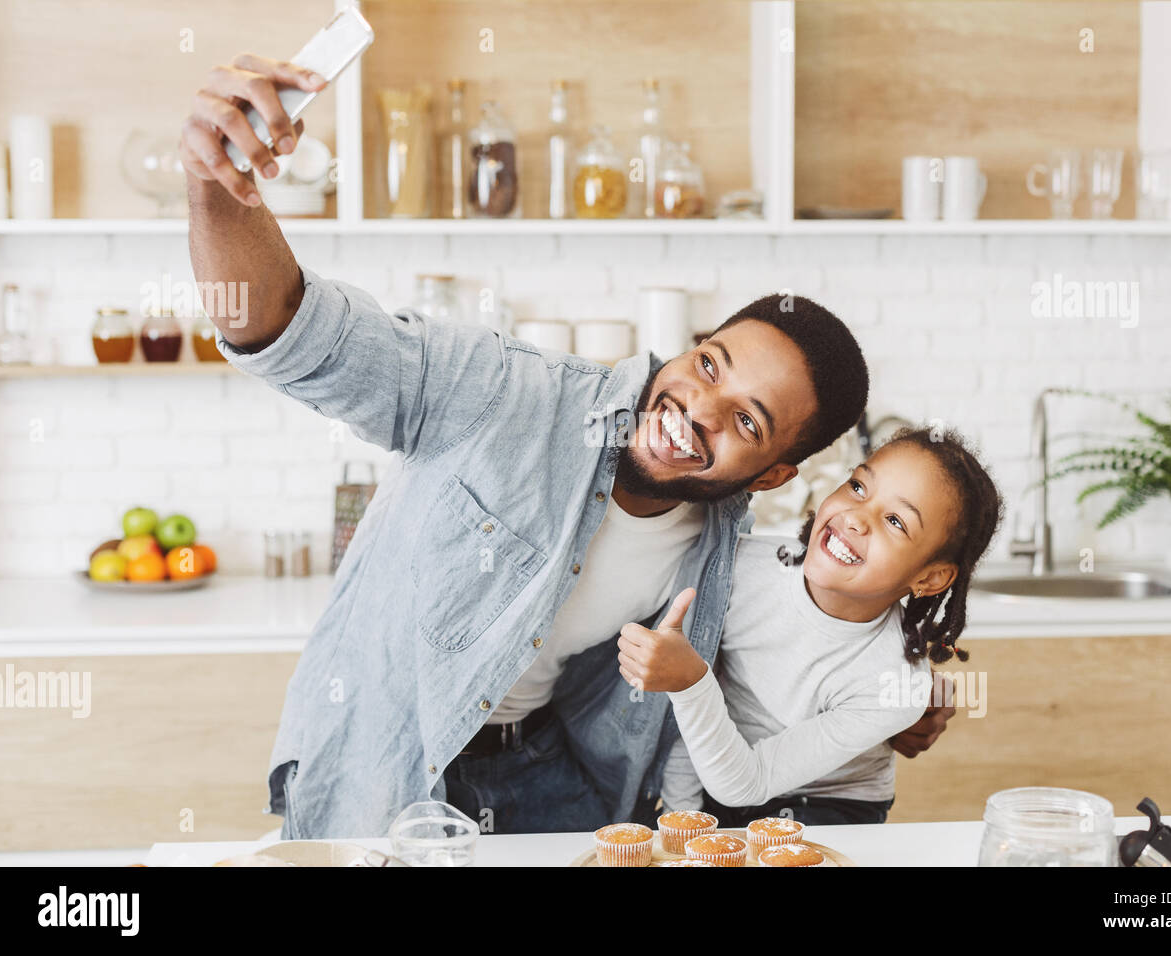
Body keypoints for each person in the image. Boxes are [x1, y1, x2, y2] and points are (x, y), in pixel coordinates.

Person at [178, 53, 955, 838]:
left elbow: (827, 608)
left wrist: (911, 693)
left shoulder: (723, 541)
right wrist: (215, 185)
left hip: (554, 799)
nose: (698, 410)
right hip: (382, 772)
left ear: (774, 474)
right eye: (708, 364)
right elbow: (291, 330)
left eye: (747, 422)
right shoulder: (503, 388)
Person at [620, 428, 1001, 826]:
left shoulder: (895, 682)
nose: (856, 517)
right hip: (721, 773)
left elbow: (742, 771)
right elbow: (696, 715)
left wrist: (688, 683)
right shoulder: (738, 570)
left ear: (932, 578)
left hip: (829, 805)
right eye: (857, 486)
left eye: (894, 520)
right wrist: (682, 816)